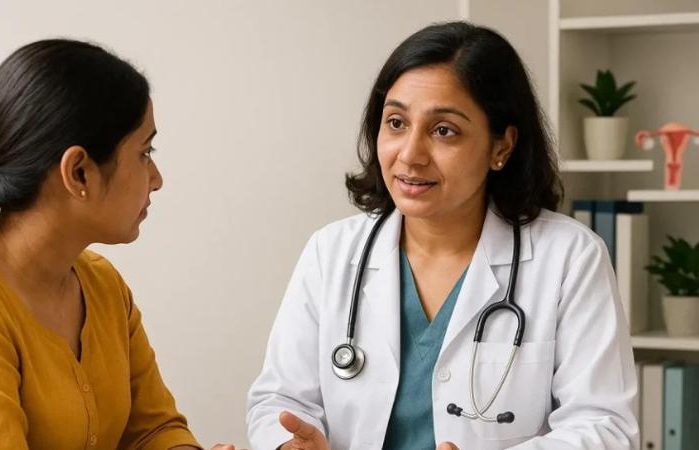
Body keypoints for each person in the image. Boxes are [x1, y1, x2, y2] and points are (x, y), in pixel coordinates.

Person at [246, 22, 638, 450]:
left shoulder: (569, 258)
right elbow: (279, 400)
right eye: (396, 122)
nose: (410, 154)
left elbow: (605, 427)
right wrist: (289, 444)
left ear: (501, 147)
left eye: (443, 130)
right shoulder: (332, 253)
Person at [0, 39, 237, 450]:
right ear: (78, 172)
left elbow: (154, 429)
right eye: (144, 152)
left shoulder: (103, 285)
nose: (157, 178)